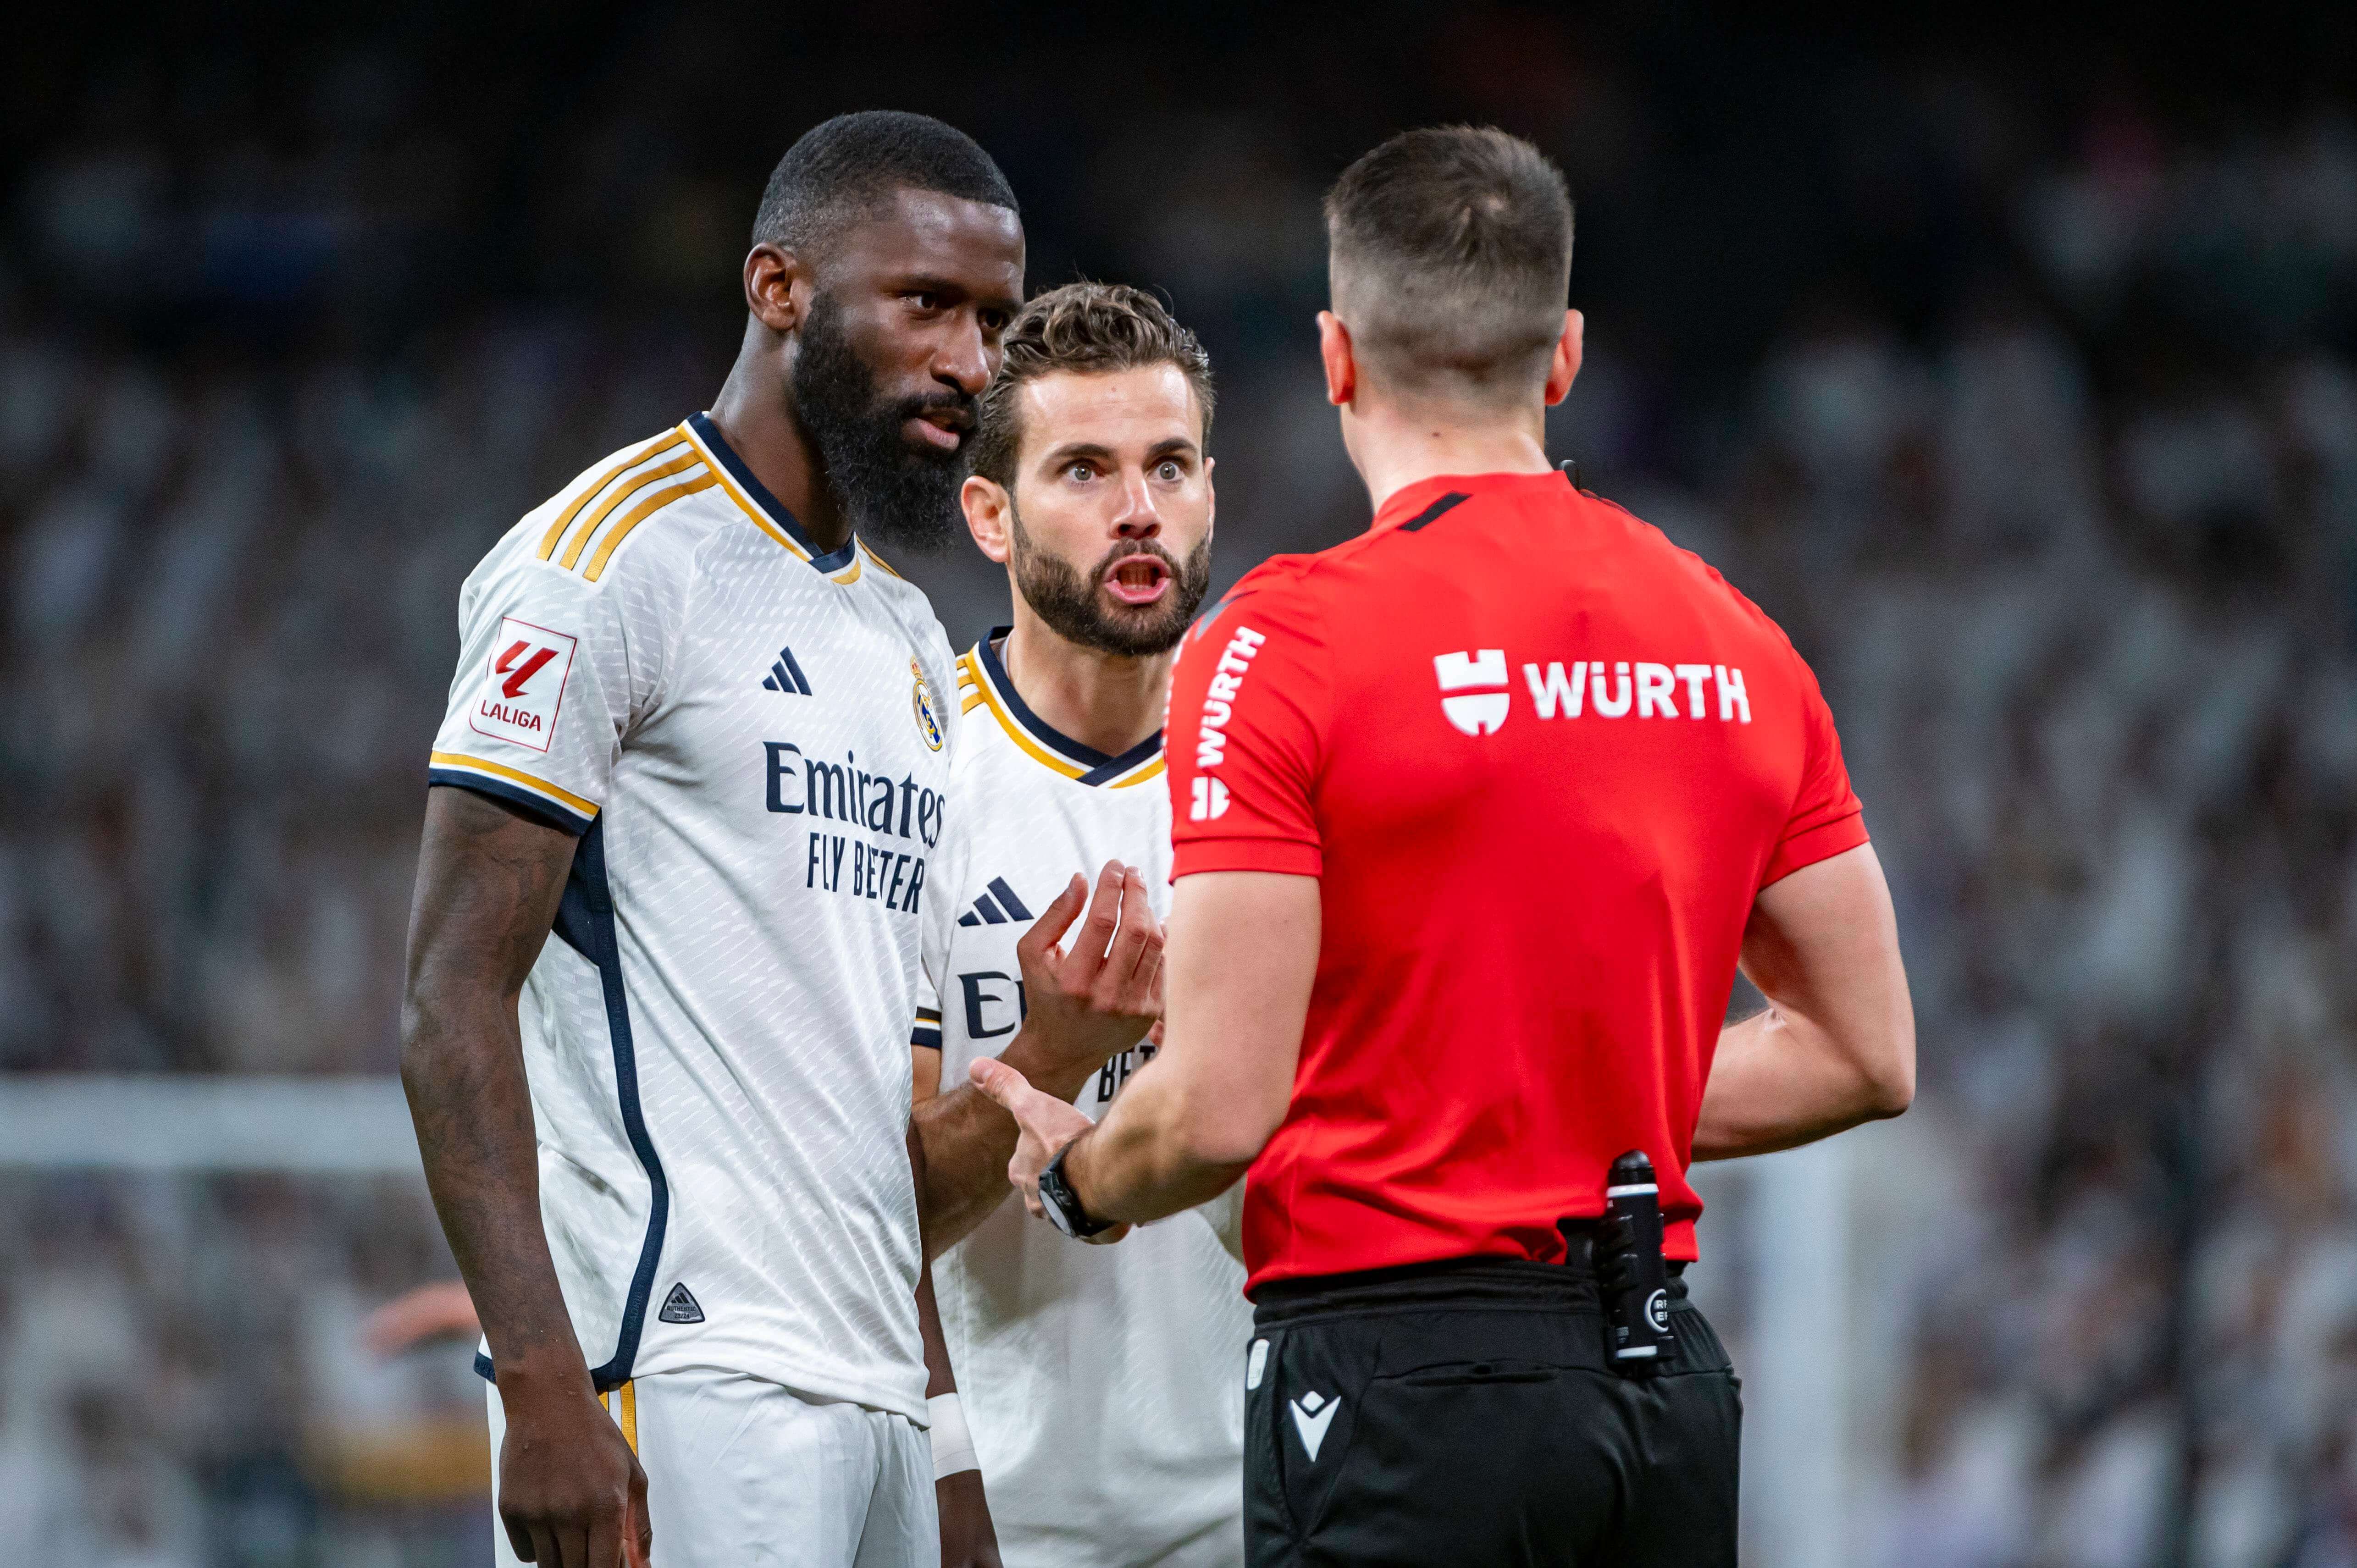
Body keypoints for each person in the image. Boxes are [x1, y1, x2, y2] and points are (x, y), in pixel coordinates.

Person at [976, 126, 1917, 1567]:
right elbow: (1865, 1054)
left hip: (1397, 1381)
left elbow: (1221, 1106)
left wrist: (1076, 1176)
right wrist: (1562, 1097)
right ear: (1564, 356)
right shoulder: (1737, 638)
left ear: (1335, 355)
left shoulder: (1282, 644)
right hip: (1661, 1385)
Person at [400, 111, 1158, 1568]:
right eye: (925, 303)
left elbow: (877, 1127)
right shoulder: (606, 559)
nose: (970, 361)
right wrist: (547, 1392)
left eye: (994, 320)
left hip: (869, 1388)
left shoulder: (903, 639)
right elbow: (449, 996)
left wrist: (938, 1441)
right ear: (780, 289)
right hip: (675, 1381)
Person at [910, 282, 1250, 1568]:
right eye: (1084, 469)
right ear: (990, 515)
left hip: (1268, 1498)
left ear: (1211, 488)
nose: (1138, 508)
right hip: (998, 1515)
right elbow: (857, 1208)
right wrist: (1045, 1057)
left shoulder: (1288, 761)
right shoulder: (908, 769)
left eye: (1169, 465)